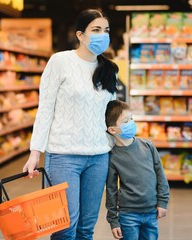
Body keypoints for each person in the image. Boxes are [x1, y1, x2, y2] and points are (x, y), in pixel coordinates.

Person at [22, 9, 118, 240]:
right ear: (80, 35)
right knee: (65, 226)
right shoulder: (60, 61)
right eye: (95, 30)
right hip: (64, 156)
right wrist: (36, 152)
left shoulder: (109, 69)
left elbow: (110, 113)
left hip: (98, 157)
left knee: (86, 228)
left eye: (105, 30)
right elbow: (45, 109)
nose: (102, 35)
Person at [105, 100, 170, 240]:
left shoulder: (147, 146)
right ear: (112, 130)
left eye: (131, 119)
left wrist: (163, 201)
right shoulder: (113, 157)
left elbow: (160, 175)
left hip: (152, 212)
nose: (131, 123)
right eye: (126, 121)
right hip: (128, 215)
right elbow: (111, 190)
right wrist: (113, 220)